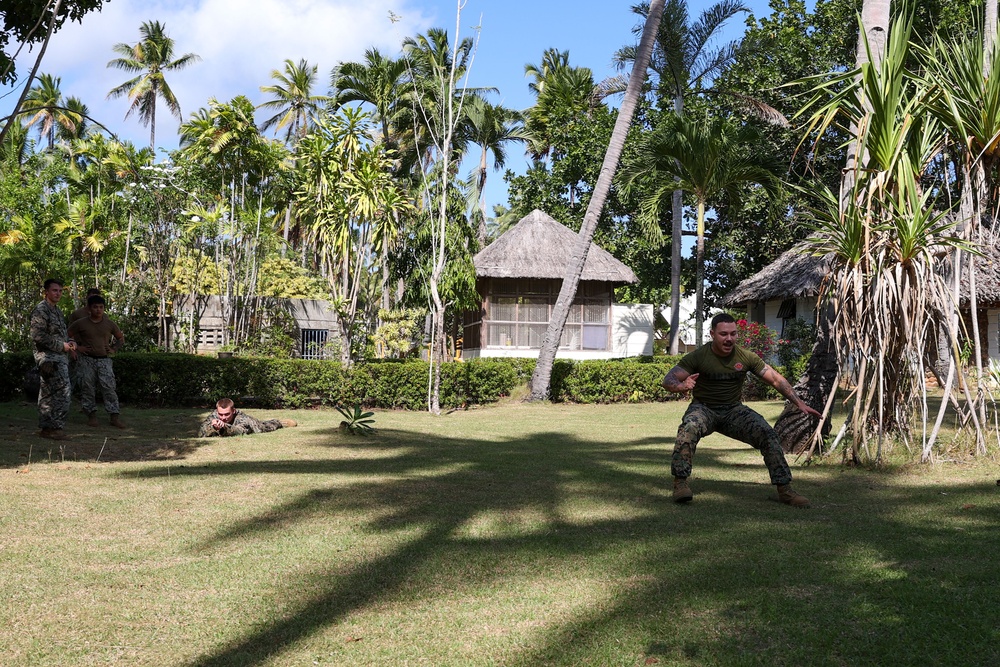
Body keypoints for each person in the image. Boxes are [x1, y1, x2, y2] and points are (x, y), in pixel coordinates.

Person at [661, 313, 821, 507]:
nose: (729, 338)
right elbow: (669, 379)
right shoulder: (699, 356)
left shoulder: (746, 357)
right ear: (712, 334)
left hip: (733, 411)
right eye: (723, 334)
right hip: (704, 408)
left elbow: (776, 379)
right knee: (688, 428)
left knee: (767, 434)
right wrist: (680, 386)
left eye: (733, 334)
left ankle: (785, 490)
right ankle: (680, 484)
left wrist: (799, 402)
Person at [68, 295, 125, 429]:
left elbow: (120, 338)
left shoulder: (109, 323)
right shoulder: (81, 323)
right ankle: (91, 415)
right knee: (87, 387)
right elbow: (67, 335)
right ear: (89, 308)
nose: (98, 310)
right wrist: (76, 348)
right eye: (95, 307)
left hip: (104, 360)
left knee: (109, 387)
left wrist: (113, 348)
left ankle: (114, 416)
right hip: (86, 360)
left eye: (101, 307)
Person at [30, 278, 77, 440]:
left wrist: (70, 343)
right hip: (49, 358)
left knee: (50, 393)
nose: (58, 293)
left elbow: (59, 334)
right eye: (54, 290)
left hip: (59, 357)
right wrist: (60, 346)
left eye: (60, 291)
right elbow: (37, 335)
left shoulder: (56, 310)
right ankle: (54, 428)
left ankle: (48, 428)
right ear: (46, 292)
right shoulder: (41, 310)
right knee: (61, 393)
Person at [198, 398, 297, 437]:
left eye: (227, 414)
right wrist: (213, 427)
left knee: (264, 427)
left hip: (253, 425)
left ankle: (280, 422)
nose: (223, 417)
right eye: (221, 414)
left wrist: (224, 427)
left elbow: (240, 431)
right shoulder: (214, 415)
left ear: (234, 411)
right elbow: (201, 432)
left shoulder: (242, 418)